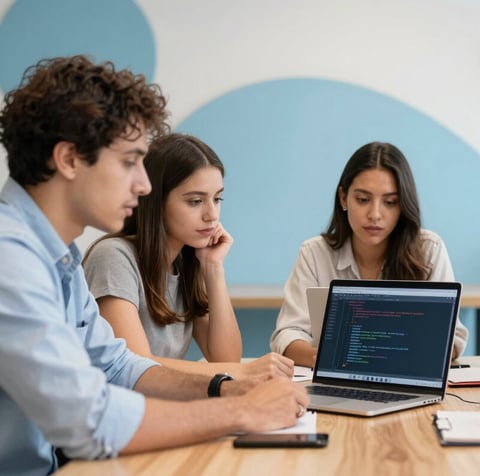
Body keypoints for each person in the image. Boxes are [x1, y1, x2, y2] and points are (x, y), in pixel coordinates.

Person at [0, 55, 308, 476]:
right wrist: (240, 412)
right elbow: (89, 419)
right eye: (129, 161)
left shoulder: (59, 258)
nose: (144, 184)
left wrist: (226, 388)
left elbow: (118, 365)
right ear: (69, 159)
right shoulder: (10, 259)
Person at [83, 133, 293, 380]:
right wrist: (242, 371)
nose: (212, 215)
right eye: (195, 201)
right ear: (156, 202)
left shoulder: (185, 263)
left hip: (162, 408)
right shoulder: (113, 257)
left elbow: (225, 359)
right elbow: (134, 367)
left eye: (217, 199)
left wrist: (213, 267)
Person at [270, 141, 469, 367]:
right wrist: (328, 359)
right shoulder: (314, 253)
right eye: (363, 200)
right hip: (335, 377)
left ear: (403, 205)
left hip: (405, 376)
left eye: (390, 202)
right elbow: (288, 334)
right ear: (344, 198)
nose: (375, 214)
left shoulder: (429, 249)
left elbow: (451, 339)